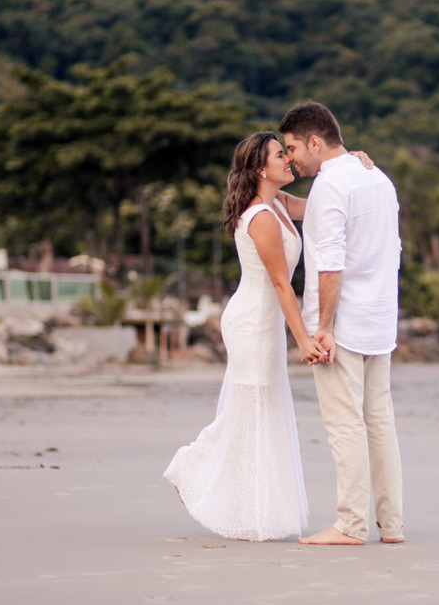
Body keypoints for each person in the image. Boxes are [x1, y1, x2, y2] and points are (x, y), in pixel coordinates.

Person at [163, 132, 329, 541]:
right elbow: (280, 285)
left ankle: (252, 510)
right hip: (253, 322)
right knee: (251, 410)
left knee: (260, 412)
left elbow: (326, 207)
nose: (288, 160)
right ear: (261, 169)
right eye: (279, 155)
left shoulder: (280, 205)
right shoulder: (260, 218)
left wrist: (346, 164)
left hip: (265, 323)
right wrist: (305, 340)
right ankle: (192, 467)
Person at [279, 102, 404, 546]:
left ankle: (351, 525)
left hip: (344, 323)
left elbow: (330, 264)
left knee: (346, 425)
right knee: (379, 423)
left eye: (292, 147)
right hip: (379, 320)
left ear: (315, 141)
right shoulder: (377, 177)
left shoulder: (334, 183)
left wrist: (323, 327)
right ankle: (392, 526)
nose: (289, 157)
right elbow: (390, 250)